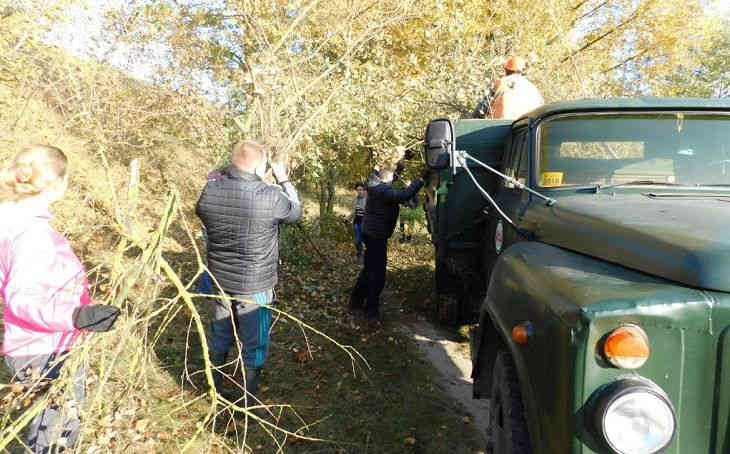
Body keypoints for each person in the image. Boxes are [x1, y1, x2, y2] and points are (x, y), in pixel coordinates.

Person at [0, 145, 120, 453]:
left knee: (53, 426)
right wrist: (75, 317)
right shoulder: (32, 234)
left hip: (39, 344)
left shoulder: (16, 221)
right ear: (58, 183)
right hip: (44, 350)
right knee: (54, 436)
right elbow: (23, 299)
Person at [195, 140, 301, 400]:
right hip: (256, 284)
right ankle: (249, 397)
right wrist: (284, 179)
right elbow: (295, 213)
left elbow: (203, 212)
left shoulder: (210, 191)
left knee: (220, 333)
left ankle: (215, 390)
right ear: (259, 168)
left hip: (220, 279)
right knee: (255, 341)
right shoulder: (271, 196)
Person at [349, 166, 428, 322]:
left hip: (372, 234)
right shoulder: (382, 190)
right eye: (393, 177)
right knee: (378, 275)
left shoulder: (375, 185)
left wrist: (400, 165)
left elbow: (395, 183)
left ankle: (356, 302)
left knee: (368, 270)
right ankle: (371, 311)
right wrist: (420, 180)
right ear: (387, 178)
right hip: (376, 236)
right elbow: (403, 195)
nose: (394, 179)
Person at [472, 56, 544, 120]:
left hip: (499, 128)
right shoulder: (534, 90)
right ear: (524, 72)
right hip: (525, 130)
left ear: (506, 70)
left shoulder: (500, 83)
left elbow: (480, 111)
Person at [344, 182, 367, 259]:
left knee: (363, 240)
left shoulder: (368, 199)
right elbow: (354, 211)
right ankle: (360, 254)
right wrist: (348, 218)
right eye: (357, 190)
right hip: (356, 222)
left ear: (364, 190)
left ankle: (366, 255)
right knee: (357, 240)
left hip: (365, 223)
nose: (359, 191)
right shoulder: (356, 199)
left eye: (361, 190)